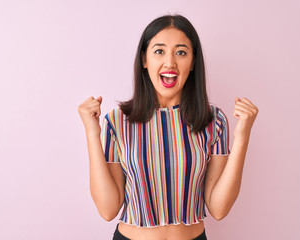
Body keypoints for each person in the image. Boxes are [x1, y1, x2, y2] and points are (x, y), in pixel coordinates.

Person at [78, 14, 258, 240]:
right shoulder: (117, 122)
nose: (170, 62)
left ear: (193, 62)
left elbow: (219, 208)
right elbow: (108, 210)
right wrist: (92, 133)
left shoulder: (214, 121)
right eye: (159, 51)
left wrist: (242, 136)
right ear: (144, 59)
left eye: (181, 52)